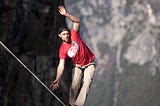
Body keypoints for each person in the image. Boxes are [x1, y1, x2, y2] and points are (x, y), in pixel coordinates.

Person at [50, 5, 96, 106]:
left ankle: (78, 105)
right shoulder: (62, 49)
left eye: (67, 33)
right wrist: (57, 79)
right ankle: (71, 104)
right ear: (60, 36)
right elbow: (61, 65)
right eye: (64, 34)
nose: (66, 35)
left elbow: (77, 21)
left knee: (86, 84)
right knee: (74, 86)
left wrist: (66, 14)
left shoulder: (74, 35)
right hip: (78, 66)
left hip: (89, 64)